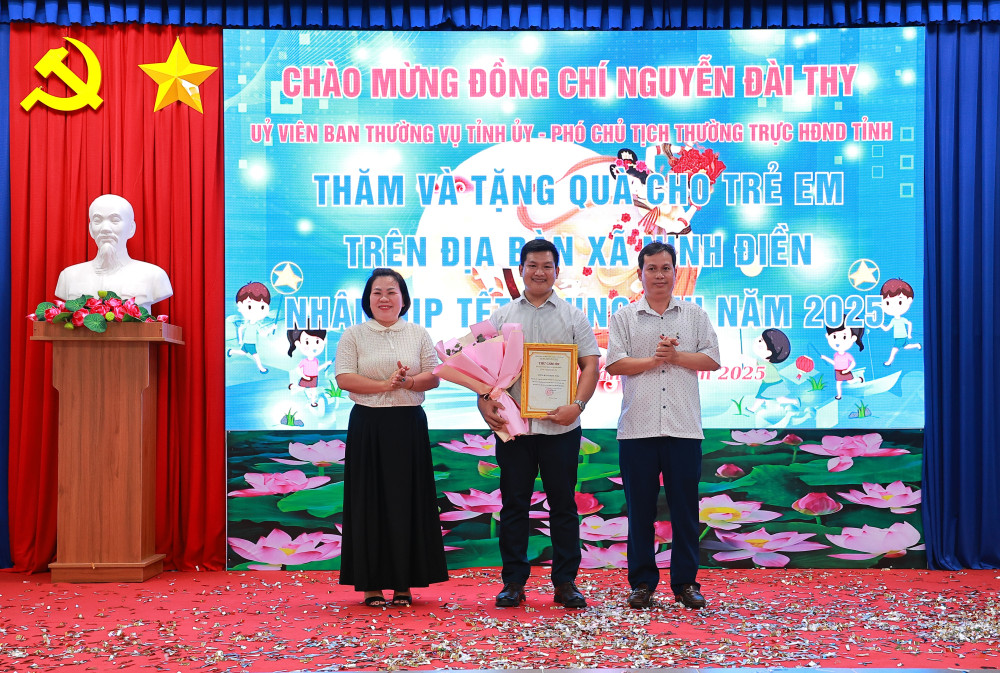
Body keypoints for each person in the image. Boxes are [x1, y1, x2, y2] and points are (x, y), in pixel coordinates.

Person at [478, 239, 600, 609]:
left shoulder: (574, 317)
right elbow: (482, 370)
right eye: (532, 265)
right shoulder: (500, 317)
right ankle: (513, 582)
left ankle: (565, 583)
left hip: (560, 429)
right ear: (521, 270)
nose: (540, 272)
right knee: (514, 505)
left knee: (563, 505)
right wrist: (483, 402)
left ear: (557, 271)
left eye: (547, 266)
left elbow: (590, 365)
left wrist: (577, 406)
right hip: (514, 429)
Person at [605, 241, 720, 610]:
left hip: (683, 428)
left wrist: (676, 356)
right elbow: (614, 364)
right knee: (640, 511)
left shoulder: (694, 315)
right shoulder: (624, 317)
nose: (659, 275)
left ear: (675, 272)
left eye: (665, 268)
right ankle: (642, 584)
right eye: (651, 268)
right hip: (636, 430)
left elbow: (712, 359)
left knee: (685, 511)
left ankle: (686, 583)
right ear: (640, 273)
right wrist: (654, 361)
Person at [334, 268, 448, 607]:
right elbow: (344, 378)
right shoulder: (354, 334)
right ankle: (370, 584)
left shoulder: (418, 333)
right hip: (368, 424)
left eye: (391, 292)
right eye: (377, 292)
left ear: (403, 298)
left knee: (407, 502)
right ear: (368, 299)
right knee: (368, 502)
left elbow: (434, 376)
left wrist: (408, 382)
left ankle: (404, 583)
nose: (384, 298)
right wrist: (385, 385)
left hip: (408, 424)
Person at [55, 194, 173, 310]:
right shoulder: (69, 277)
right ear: (91, 229)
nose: (105, 228)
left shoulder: (154, 276)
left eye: (115, 220)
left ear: (131, 228)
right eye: (97, 221)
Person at [228, 281, 273, 374]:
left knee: (242, 352)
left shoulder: (256, 324)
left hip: (248, 343)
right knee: (256, 356)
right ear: (239, 306)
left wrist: (271, 328)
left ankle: (231, 351)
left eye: (262, 307)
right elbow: (241, 329)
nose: (256, 311)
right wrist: (240, 340)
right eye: (249, 306)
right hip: (250, 344)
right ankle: (262, 369)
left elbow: (262, 333)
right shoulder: (251, 324)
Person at [879, 278, 921, 366]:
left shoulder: (902, 319)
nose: (893, 307)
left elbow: (909, 324)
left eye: (900, 302)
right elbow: (887, 329)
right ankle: (917, 345)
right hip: (899, 338)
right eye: (887, 303)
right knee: (906, 347)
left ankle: (888, 362)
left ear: (909, 300)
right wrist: (880, 324)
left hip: (900, 338)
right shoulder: (893, 320)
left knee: (894, 351)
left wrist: (909, 334)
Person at [821, 319, 866, 400]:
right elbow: (835, 363)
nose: (838, 341)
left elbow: (853, 363)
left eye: (844, 337)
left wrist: (847, 370)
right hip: (838, 371)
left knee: (850, 382)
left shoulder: (847, 355)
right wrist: (825, 358)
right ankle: (839, 395)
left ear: (853, 338)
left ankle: (859, 379)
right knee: (838, 384)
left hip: (845, 370)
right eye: (834, 336)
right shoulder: (836, 355)